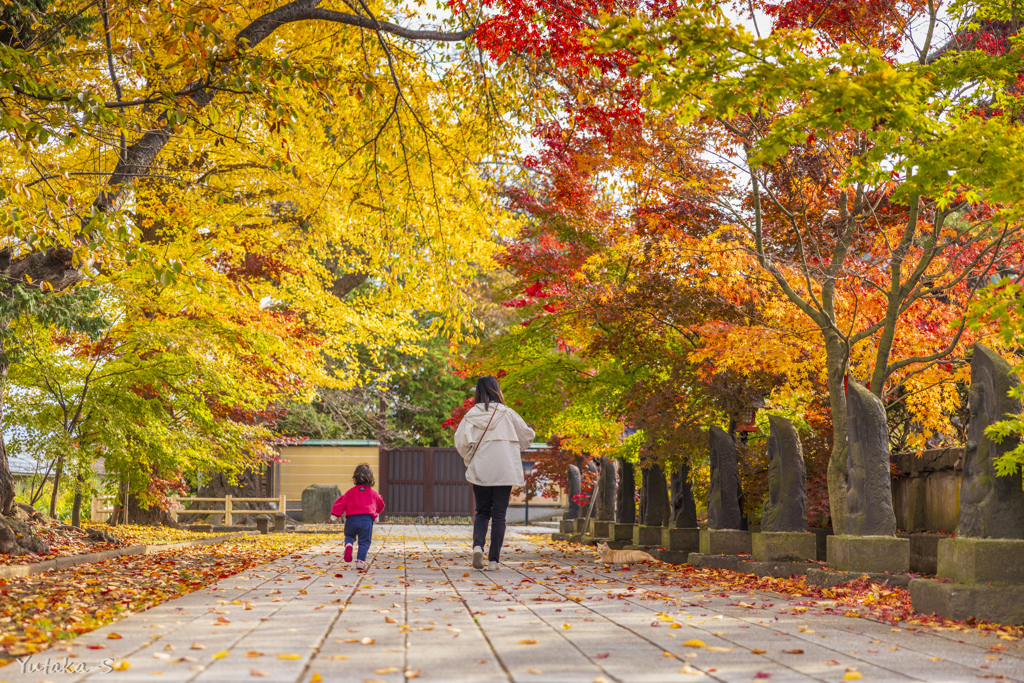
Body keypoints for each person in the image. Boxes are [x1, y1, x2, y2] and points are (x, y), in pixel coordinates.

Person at [454, 376, 535, 570]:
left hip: (481, 468)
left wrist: (469, 457)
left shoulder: (471, 415)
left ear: (478, 392)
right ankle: (493, 561)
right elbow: (527, 436)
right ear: (496, 390)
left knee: (482, 511)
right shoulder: (508, 413)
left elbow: (460, 442)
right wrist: (513, 448)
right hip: (504, 469)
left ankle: (477, 547)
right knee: (499, 515)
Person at [331, 463, 385, 571]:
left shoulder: (350, 492)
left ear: (354, 479)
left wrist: (334, 516)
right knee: (364, 542)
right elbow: (380, 504)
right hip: (366, 520)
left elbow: (341, 503)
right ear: (370, 479)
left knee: (349, 535)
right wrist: (376, 512)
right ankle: (360, 561)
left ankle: (349, 545)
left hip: (351, 519)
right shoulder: (373, 493)